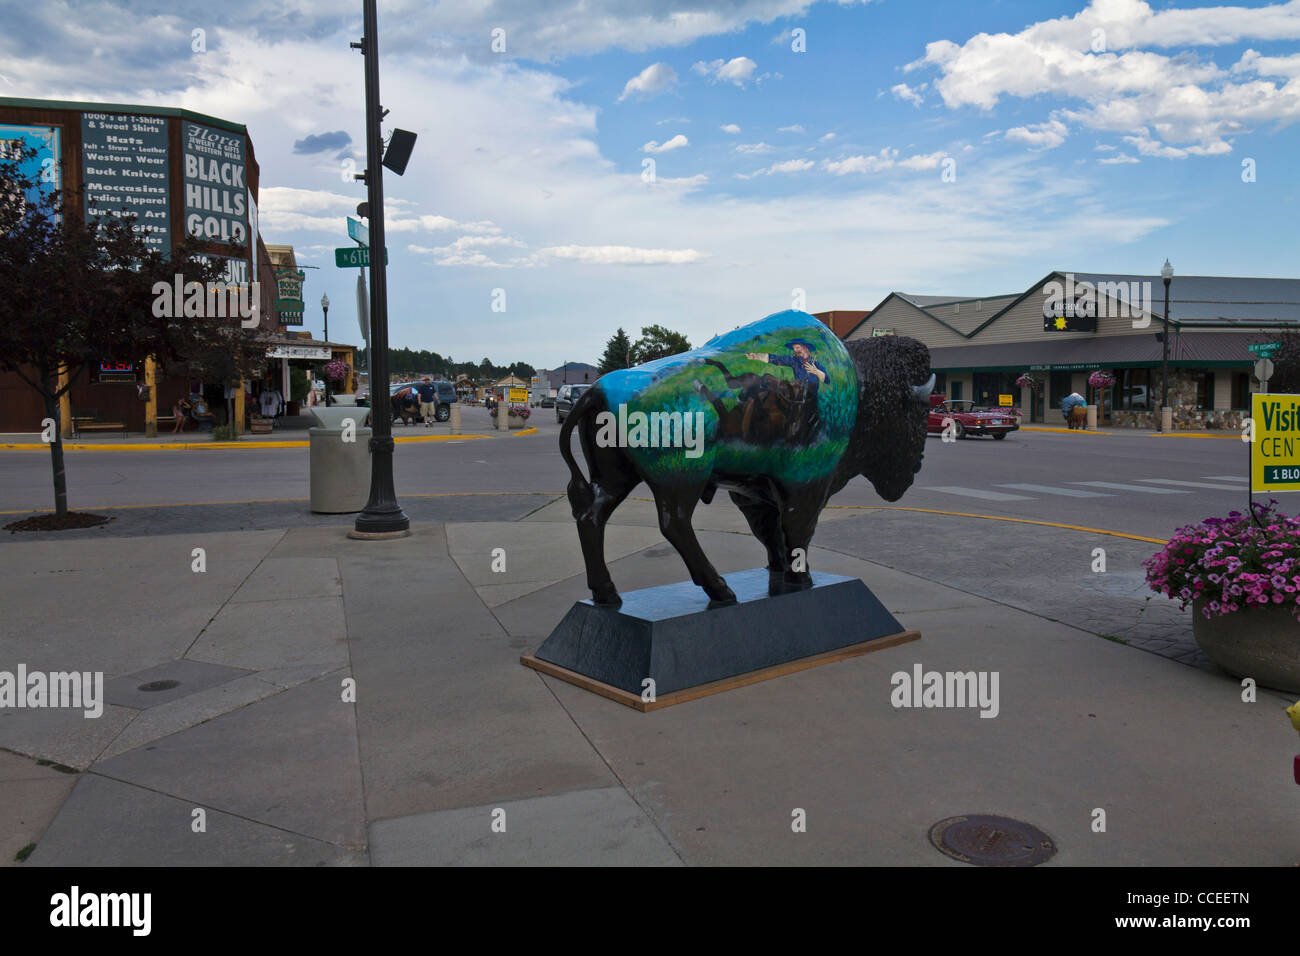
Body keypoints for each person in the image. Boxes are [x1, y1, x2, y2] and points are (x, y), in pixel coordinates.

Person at [744, 339, 828, 397]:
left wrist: (816, 371)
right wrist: (756, 356)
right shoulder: (795, 361)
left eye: (797, 347)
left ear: (805, 348)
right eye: (794, 348)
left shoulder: (816, 363)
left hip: (811, 399)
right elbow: (777, 359)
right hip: (797, 396)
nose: (795, 350)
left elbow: (827, 380)